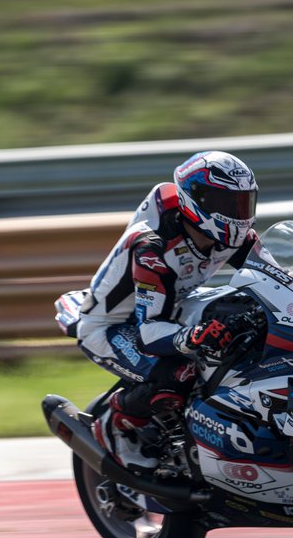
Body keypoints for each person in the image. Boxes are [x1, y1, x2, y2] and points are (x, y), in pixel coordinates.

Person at [72, 150, 270, 471]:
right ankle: (115, 424)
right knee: (179, 372)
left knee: (247, 312)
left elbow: (275, 275)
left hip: (174, 305)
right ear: (197, 200)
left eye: (243, 202)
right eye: (227, 204)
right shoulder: (153, 247)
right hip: (113, 326)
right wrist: (194, 336)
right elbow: (150, 334)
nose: (238, 214)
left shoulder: (229, 234)